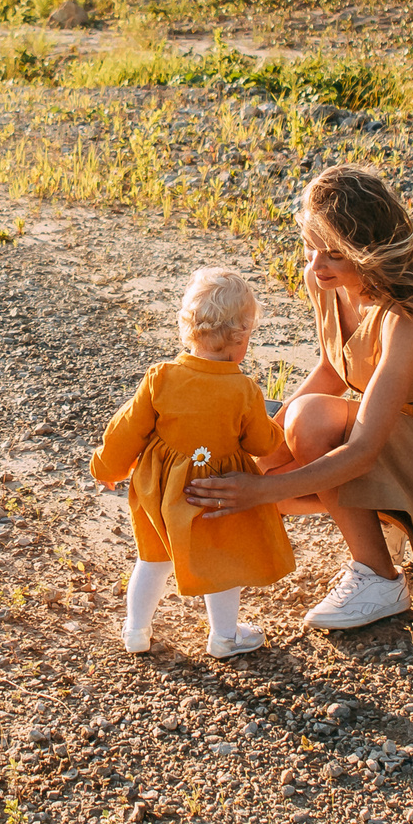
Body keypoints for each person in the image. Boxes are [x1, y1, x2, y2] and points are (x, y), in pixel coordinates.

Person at [188, 165, 413, 630]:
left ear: (369, 253)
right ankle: (384, 527)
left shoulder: (409, 313)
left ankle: (378, 577)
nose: (317, 267)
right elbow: (332, 367)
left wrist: (258, 491)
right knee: (262, 450)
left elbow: (360, 452)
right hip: (381, 433)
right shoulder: (325, 282)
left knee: (308, 423)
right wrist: (263, 448)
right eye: (311, 246)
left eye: (334, 255)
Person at [90, 267, 293, 658]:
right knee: (221, 562)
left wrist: (107, 468)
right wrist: (277, 430)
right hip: (214, 492)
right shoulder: (243, 389)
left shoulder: (161, 377)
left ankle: (136, 631)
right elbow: (260, 442)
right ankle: (225, 637)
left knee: (152, 560)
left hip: (160, 491)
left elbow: (127, 429)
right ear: (241, 337)